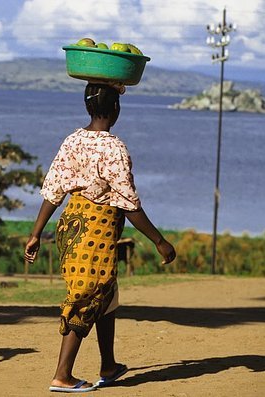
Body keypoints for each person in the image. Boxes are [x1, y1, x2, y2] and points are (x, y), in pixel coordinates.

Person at [24, 82, 176, 393]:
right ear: (116, 109)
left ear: (87, 107)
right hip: (96, 231)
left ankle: (109, 365)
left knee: (106, 295)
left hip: (71, 225)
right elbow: (127, 203)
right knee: (88, 294)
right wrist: (159, 241)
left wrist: (36, 233)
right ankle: (62, 376)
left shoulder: (72, 140)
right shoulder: (114, 148)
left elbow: (54, 189)